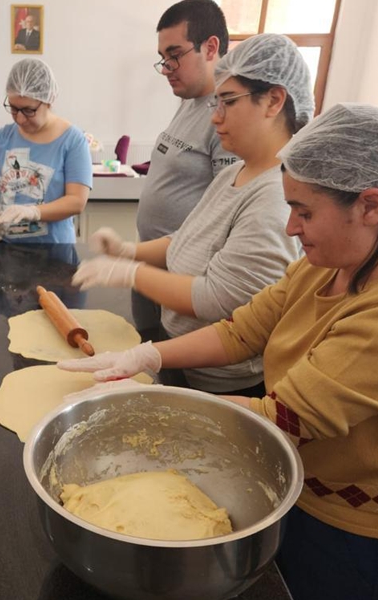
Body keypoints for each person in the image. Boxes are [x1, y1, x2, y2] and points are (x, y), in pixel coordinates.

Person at [60, 103, 378, 600]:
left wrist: (133, 412)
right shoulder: (329, 262)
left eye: (304, 212)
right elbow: (242, 331)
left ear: (371, 207)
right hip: (306, 488)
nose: (291, 228)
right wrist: (148, 357)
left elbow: (280, 420)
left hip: (373, 532)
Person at [73, 33, 312, 397]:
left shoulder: (276, 197)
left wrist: (131, 274)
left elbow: (216, 298)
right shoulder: (236, 172)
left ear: (274, 100)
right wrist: (127, 251)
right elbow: (186, 240)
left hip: (222, 382)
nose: (215, 118)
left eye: (228, 102)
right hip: (181, 360)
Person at [133, 0, 237, 342]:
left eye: (175, 54)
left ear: (211, 47)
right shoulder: (189, 102)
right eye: (163, 57)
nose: (166, 68)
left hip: (185, 284)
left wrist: (128, 258)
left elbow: (222, 220)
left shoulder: (227, 119)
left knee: (169, 375)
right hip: (153, 267)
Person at [0, 58, 92, 244]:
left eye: (29, 110)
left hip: (54, 252)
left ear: (49, 100)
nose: (20, 119)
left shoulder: (73, 140)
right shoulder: (4, 137)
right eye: (14, 109)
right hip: (5, 248)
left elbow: (76, 201)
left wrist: (34, 212)